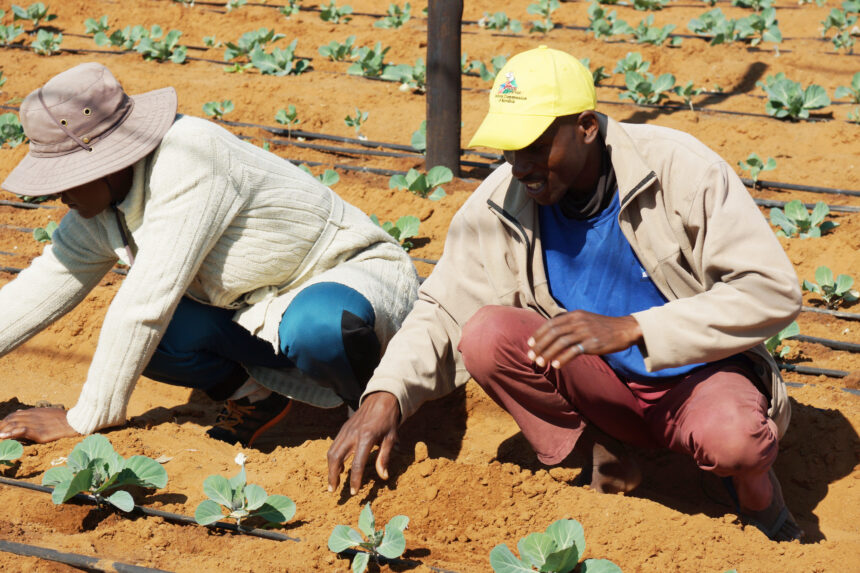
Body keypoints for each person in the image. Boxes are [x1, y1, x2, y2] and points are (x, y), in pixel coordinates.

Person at [327, 46, 804, 542]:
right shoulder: (501, 202)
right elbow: (440, 308)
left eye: (534, 146)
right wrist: (385, 396)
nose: (519, 167)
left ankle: (754, 491)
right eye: (508, 150)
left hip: (698, 378)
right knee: (487, 333)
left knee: (736, 443)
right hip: (602, 388)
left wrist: (637, 328)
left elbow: (771, 289)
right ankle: (603, 448)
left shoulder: (682, 171)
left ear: (586, 127)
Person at [0, 62, 419, 448]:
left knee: (320, 328)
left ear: (107, 162)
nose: (59, 193)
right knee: (154, 341)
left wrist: (85, 418)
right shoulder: (100, 206)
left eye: (66, 176)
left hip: (345, 284)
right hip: (255, 308)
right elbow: (41, 286)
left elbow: (145, 302)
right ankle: (257, 400)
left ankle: (371, 407)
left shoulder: (190, 157)